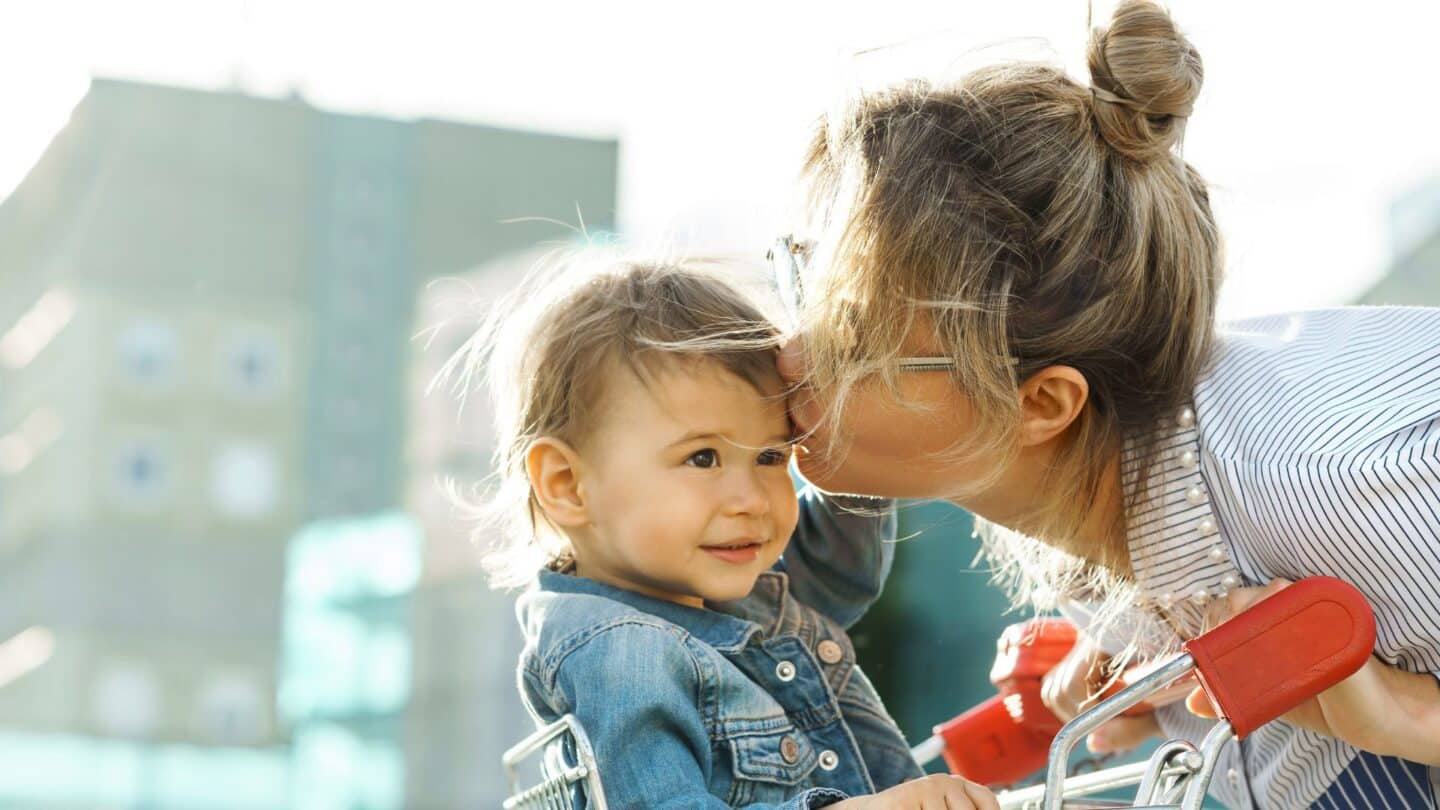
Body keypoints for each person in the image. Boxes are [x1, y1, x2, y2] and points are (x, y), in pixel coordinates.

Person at [772, 1, 1440, 807]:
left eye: (852, 336)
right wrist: (1150, 658)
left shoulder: (1340, 479)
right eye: (801, 287)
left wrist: (1411, 716)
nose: (786, 355)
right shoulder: (1081, 487)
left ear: (1040, 402)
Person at [459, 253, 999, 809]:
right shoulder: (620, 651)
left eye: (770, 456)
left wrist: (854, 419)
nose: (751, 500)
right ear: (568, 484)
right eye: (702, 458)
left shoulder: (716, 586)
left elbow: (841, 571)